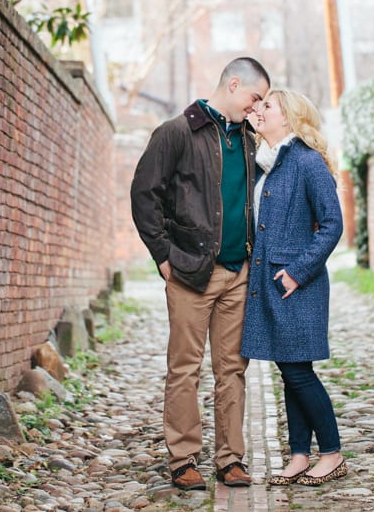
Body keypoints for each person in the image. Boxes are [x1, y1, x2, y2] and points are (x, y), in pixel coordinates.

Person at [130, 57, 270, 491]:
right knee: (185, 368)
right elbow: (144, 194)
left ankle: (231, 459)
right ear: (233, 84)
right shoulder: (176, 132)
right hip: (191, 273)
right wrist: (162, 255)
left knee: (232, 369)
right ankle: (183, 459)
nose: (257, 107)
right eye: (255, 97)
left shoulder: (250, 141)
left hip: (238, 273)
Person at [240, 88, 346, 487]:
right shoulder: (268, 162)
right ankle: (299, 453)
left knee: (299, 372)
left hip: (297, 286)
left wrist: (297, 272)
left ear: (289, 118)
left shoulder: (306, 161)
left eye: (268, 106)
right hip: (272, 285)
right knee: (290, 370)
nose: (259, 110)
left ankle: (332, 453)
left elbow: (332, 225)